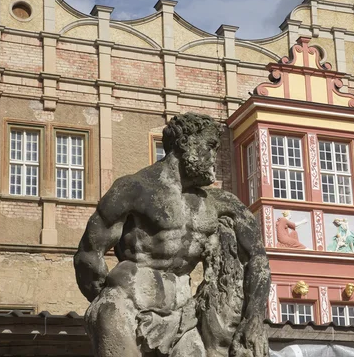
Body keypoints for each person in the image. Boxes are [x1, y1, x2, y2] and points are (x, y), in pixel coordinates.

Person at [73, 113, 270, 357]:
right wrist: (109, 297)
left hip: (182, 318)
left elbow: (258, 259)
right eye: (210, 147)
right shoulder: (135, 189)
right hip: (127, 307)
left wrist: (254, 318)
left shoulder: (220, 203)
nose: (214, 159)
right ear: (186, 143)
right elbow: (88, 255)